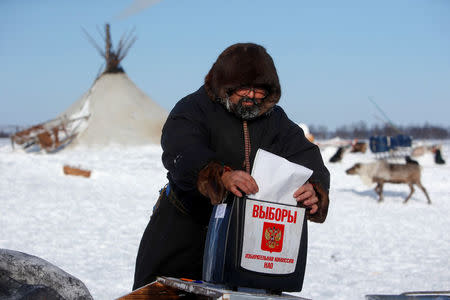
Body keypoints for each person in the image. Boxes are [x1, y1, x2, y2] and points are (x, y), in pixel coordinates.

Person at [133, 43, 330, 290]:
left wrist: (314, 188)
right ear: (225, 85)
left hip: (246, 241)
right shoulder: (193, 109)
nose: (252, 96)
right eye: (245, 87)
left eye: (260, 90)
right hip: (185, 231)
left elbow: (304, 154)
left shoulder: (275, 120)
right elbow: (182, 148)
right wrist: (219, 175)